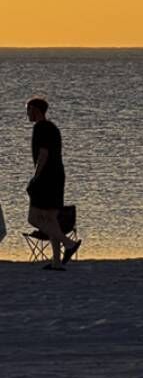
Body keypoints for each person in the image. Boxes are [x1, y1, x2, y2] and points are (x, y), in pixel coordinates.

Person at [27, 97, 78, 270]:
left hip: (46, 177)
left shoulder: (40, 128)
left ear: (36, 110)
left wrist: (36, 177)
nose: (27, 113)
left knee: (33, 217)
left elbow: (43, 154)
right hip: (58, 176)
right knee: (51, 218)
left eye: (29, 109)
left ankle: (68, 243)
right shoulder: (53, 128)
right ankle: (56, 262)